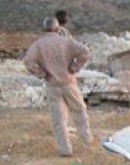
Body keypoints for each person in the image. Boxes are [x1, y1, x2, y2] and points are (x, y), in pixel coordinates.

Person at [22, 17, 92, 157]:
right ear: (57, 28)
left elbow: (28, 61)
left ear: (44, 28)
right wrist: (75, 67)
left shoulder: (38, 45)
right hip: (69, 82)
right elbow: (85, 52)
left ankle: (64, 149)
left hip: (52, 84)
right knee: (79, 111)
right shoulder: (66, 42)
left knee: (58, 118)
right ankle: (86, 140)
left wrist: (41, 74)